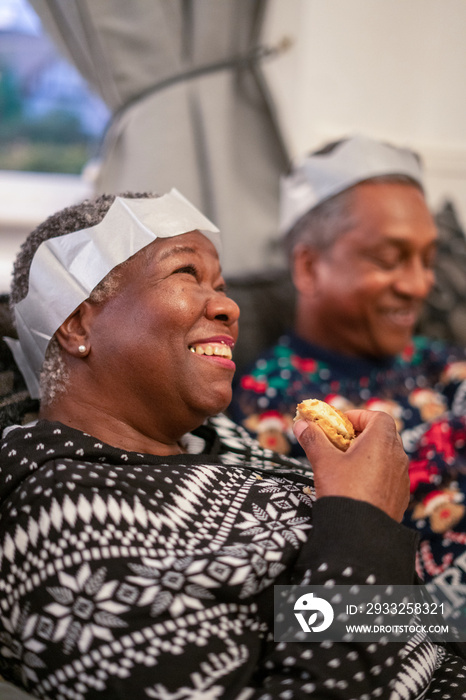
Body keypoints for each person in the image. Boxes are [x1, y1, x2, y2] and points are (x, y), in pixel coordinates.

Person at [0, 190, 464, 700]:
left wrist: (445, 613)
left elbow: (335, 617)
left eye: (220, 285)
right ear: (77, 322)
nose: (228, 306)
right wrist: (362, 515)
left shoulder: (218, 447)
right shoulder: (65, 517)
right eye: (185, 274)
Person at [230, 134, 466, 585]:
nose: (419, 285)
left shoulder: (450, 367)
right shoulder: (275, 415)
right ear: (308, 267)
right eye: (389, 258)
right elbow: (314, 615)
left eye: (427, 259)